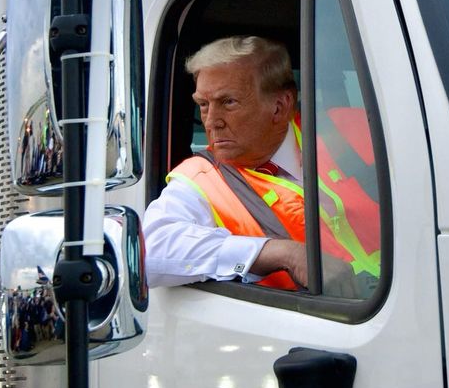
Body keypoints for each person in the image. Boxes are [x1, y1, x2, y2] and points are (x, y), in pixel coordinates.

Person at [144, 35, 379, 296]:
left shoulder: (352, 129)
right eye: (203, 105)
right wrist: (284, 253)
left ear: (280, 106)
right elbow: (149, 252)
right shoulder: (200, 180)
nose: (211, 122)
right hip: (319, 329)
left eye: (228, 102)